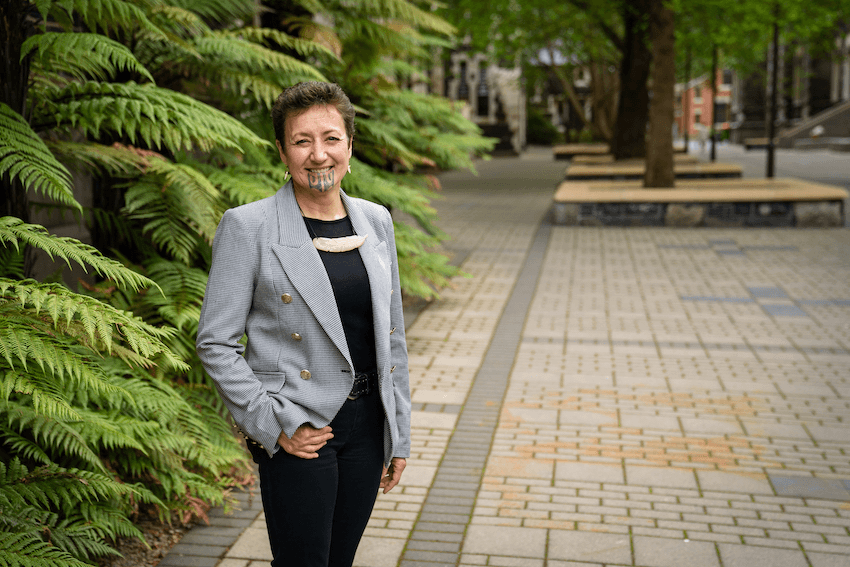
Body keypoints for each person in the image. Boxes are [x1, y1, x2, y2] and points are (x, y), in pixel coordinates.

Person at [196, 81, 410, 567]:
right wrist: (272, 425)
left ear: (349, 145)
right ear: (282, 150)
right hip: (301, 427)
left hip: (368, 424)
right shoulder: (249, 226)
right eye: (301, 141)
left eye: (331, 138)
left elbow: (392, 336)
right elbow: (215, 343)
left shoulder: (376, 221)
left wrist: (399, 432)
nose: (318, 155)